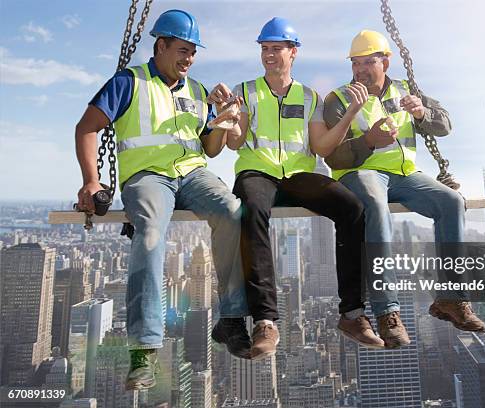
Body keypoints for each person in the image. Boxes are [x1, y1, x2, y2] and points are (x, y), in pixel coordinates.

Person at [74, 10, 252, 390]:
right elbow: (87, 127)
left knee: (234, 212)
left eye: (193, 52)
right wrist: (91, 181)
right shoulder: (129, 82)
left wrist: (222, 122)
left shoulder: (198, 91)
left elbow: (210, 148)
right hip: (148, 177)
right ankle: (144, 349)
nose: (189, 59)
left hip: (193, 173)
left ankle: (232, 318)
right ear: (161, 46)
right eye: (183, 50)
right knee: (151, 234)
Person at [217, 17, 386, 360]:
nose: (268, 55)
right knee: (252, 210)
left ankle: (353, 314)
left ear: (293, 53)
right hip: (258, 172)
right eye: (264, 49)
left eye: (276, 48)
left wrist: (351, 113)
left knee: (353, 208)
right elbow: (235, 143)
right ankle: (265, 321)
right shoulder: (247, 90)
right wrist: (229, 119)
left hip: (297, 175)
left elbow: (322, 147)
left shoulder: (310, 96)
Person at [323, 30, 485, 343]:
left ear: (385, 61)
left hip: (406, 174)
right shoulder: (339, 99)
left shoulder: (405, 89)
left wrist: (422, 112)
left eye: (367, 62)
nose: (359, 70)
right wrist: (368, 141)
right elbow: (333, 155)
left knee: (452, 202)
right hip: (361, 173)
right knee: (376, 207)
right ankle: (387, 311)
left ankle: (452, 298)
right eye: (355, 63)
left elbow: (445, 125)